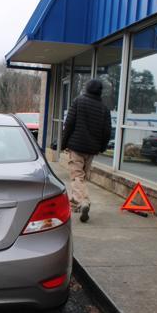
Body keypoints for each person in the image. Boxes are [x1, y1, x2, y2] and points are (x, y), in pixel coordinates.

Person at [61, 79, 112, 223]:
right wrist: (101, 147)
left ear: (87, 89)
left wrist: (63, 143)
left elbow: (69, 123)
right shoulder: (104, 108)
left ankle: (83, 201)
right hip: (92, 149)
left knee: (77, 176)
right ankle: (75, 203)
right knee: (82, 177)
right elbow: (107, 131)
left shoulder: (79, 101)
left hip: (76, 147)